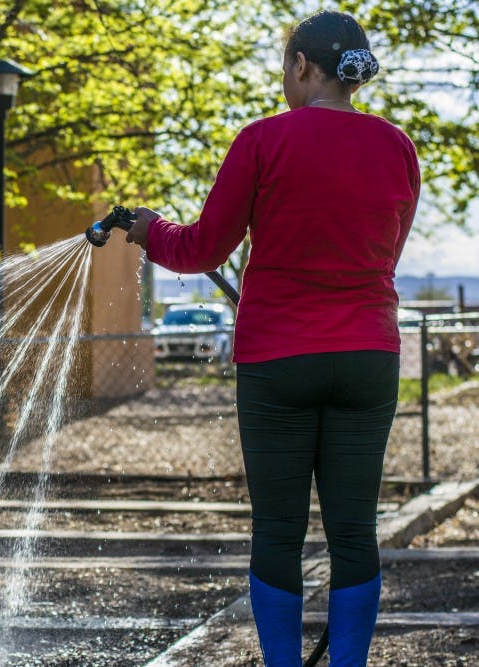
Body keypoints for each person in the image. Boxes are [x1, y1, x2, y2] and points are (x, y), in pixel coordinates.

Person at [125, 10, 420, 667]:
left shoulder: (262, 141)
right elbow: (384, 254)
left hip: (278, 360)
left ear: (301, 67)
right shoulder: (398, 147)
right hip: (368, 355)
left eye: (286, 70)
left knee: (279, 529)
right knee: (353, 529)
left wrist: (151, 229)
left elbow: (202, 248)